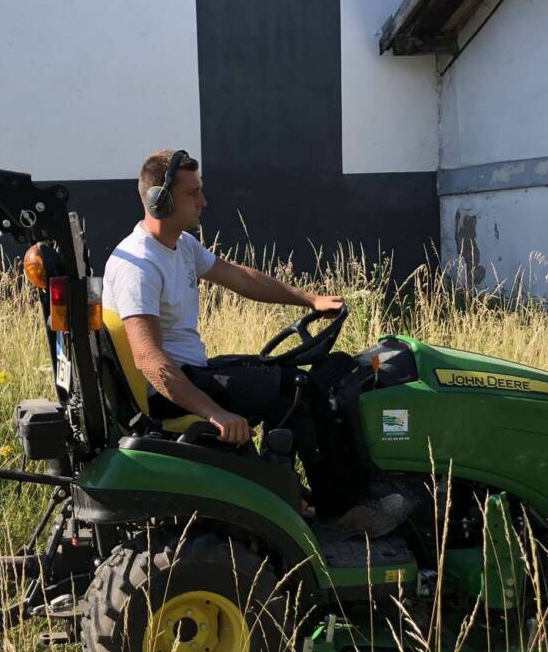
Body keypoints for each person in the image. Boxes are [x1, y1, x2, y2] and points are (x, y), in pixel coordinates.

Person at [103, 148, 409, 535]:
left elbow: (242, 278)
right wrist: (216, 413)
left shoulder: (180, 246)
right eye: (192, 193)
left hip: (190, 373)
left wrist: (309, 299)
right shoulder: (140, 266)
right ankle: (339, 510)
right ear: (160, 202)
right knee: (298, 391)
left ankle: (292, 492)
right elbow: (149, 360)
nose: (203, 201)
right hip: (170, 391)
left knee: (304, 373)